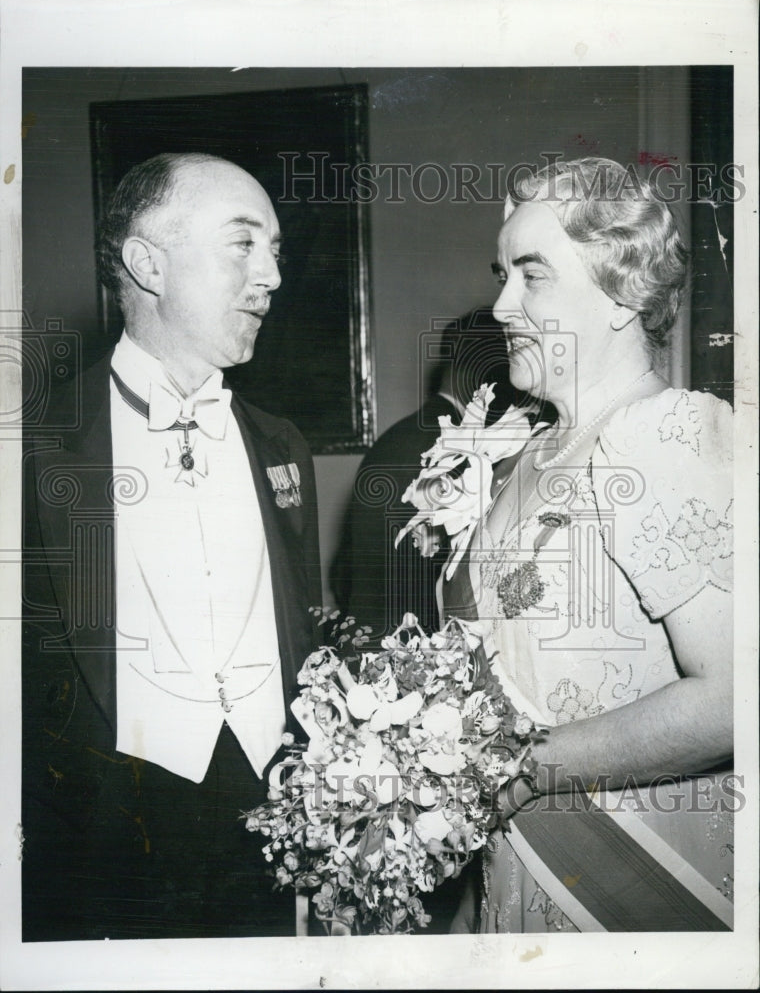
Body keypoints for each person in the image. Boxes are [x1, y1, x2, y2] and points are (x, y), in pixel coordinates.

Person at [22, 153, 322, 940]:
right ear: (147, 262)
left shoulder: (281, 445)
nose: (272, 278)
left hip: (267, 822)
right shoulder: (33, 448)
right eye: (243, 244)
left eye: (276, 251)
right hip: (101, 843)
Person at [441, 157, 734, 932]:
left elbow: (739, 697)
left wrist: (528, 768)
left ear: (620, 287)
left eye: (531, 275)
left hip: (640, 886)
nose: (501, 305)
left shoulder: (663, 434)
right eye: (501, 273)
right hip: (517, 879)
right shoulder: (529, 453)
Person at [332, 310, 518, 641]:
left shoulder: (392, 438)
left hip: (365, 644)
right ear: (491, 377)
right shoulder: (461, 457)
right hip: (416, 658)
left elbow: (341, 572)